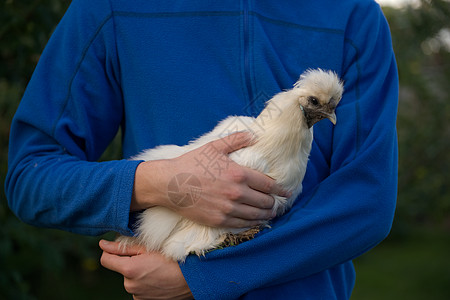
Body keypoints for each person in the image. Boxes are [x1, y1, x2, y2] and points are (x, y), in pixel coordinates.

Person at [5, 0, 399, 299]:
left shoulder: (351, 13)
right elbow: (32, 175)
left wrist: (203, 278)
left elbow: (367, 198)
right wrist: (159, 183)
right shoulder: (111, 7)